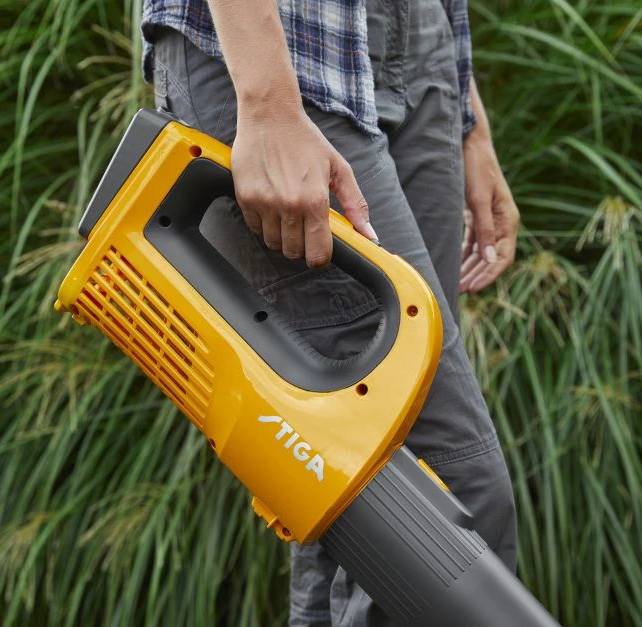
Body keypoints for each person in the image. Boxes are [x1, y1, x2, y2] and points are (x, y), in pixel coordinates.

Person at [141, 0, 521, 625]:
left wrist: (469, 124)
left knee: (356, 499)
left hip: (424, 49)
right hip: (288, 41)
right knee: (446, 499)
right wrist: (266, 101)